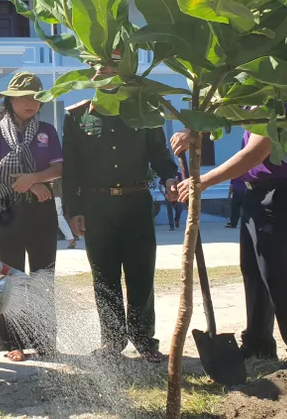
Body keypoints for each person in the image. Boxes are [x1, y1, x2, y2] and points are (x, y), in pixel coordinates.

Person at [173, 113, 287, 371]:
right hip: (255, 193)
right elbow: (225, 112)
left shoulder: (282, 97)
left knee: (276, 273)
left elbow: (256, 151)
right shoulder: (256, 94)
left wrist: (203, 180)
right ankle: (258, 345)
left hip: (280, 193)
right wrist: (195, 129)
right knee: (253, 272)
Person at [61, 56, 178, 363]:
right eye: (102, 71)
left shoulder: (143, 109)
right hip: (95, 206)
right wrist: (72, 210)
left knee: (141, 274)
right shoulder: (76, 116)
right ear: (93, 75)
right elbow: (70, 168)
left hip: (136, 203)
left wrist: (170, 176)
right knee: (104, 277)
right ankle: (112, 341)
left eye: (115, 69)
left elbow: (159, 152)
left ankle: (144, 340)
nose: (109, 75)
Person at [0, 72, 62, 362]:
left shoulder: (47, 131)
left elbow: (58, 168)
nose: (30, 103)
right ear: (10, 100)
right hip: (6, 208)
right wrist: (31, 181)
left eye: (36, 98)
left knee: (43, 275)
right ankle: (11, 342)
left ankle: (44, 340)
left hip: (41, 208)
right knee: (9, 276)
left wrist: (34, 180)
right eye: (23, 97)